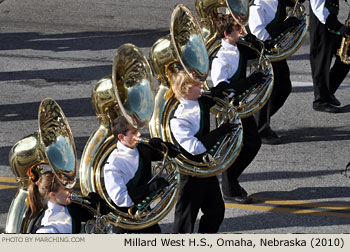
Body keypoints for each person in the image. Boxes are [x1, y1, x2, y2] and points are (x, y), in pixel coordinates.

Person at [169, 70, 235, 233]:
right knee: (185, 219)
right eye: (196, 84)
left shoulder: (201, 101)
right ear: (185, 89)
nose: (201, 86)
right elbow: (196, 148)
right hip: (191, 172)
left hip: (206, 168)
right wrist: (220, 131)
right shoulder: (179, 119)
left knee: (216, 211)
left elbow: (230, 95)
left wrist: (225, 89)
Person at [210, 13, 264, 204]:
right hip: (229, 110)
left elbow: (261, 52)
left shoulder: (238, 47)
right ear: (226, 34)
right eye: (237, 30)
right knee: (234, 149)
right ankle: (230, 187)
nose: (241, 32)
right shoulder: (220, 58)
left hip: (242, 108)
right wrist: (250, 82)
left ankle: (231, 182)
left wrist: (255, 42)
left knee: (253, 143)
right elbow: (221, 89)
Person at [103, 115, 180, 233]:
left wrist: (163, 146)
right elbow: (121, 199)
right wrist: (151, 187)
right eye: (133, 132)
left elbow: (175, 153)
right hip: (126, 224)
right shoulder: (114, 164)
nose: (139, 135)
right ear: (121, 137)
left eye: (137, 131)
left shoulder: (142, 149)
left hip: (145, 217)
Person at [248, 0, 302, 144]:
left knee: (284, 88)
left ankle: (254, 124)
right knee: (266, 92)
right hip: (262, 54)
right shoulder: (258, 5)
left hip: (275, 52)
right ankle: (260, 129)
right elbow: (259, 33)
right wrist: (285, 25)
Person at [309, 0, 350, 113]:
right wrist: (337, 26)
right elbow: (317, 7)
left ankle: (328, 92)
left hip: (330, 19)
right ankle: (320, 101)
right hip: (322, 22)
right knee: (321, 62)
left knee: (346, 56)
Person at [27, 171, 96, 233]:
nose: (72, 190)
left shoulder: (68, 202)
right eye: (66, 189)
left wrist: (97, 205)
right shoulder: (48, 228)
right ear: (53, 195)